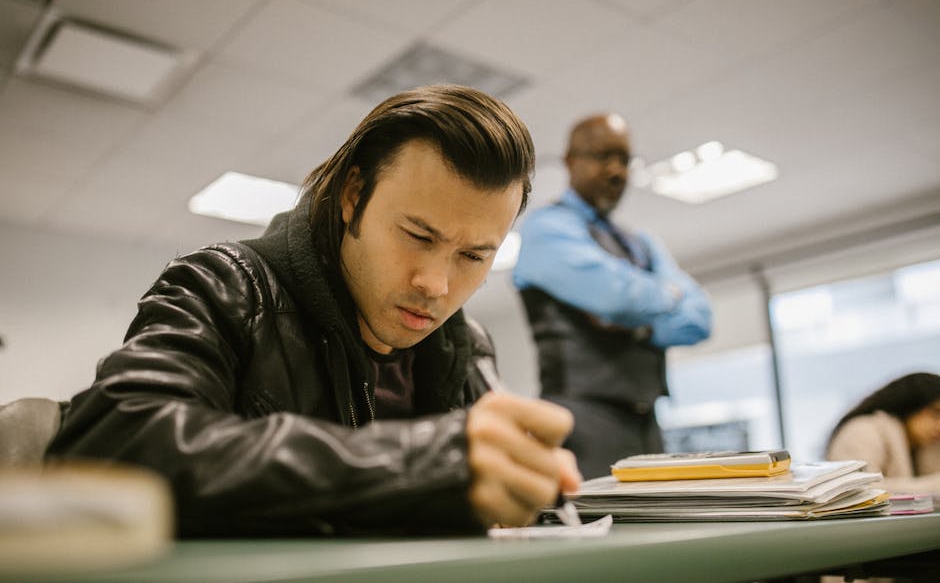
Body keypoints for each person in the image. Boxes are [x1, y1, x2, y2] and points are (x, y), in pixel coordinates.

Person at [46, 84, 581, 537]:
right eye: (417, 235)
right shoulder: (225, 286)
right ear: (353, 196)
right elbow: (112, 441)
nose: (436, 285)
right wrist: (418, 462)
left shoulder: (467, 345)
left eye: (473, 256)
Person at [512, 113, 712, 479]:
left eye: (624, 159)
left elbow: (700, 318)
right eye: (603, 156)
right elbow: (620, 299)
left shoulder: (643, 243)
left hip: (648, 423)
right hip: (579, 421)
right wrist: (668, 294)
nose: (617, 170)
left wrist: (643, 327)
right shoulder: (547, 228)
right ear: (571, 161)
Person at [826, 371, 940, 495]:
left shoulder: (929, 445)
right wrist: (933, 486)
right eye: (935, 413)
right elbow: (857, 492)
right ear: (910, 403)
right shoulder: (863, 431)